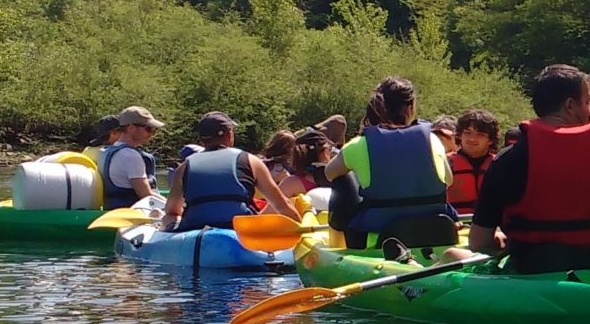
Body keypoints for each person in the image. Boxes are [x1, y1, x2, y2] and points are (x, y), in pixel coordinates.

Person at [468, 64, 590, 275]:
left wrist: (504, 241)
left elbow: (479, 243)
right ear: (570, 106)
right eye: (587, 102)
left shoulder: (506, 161)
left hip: (529, 277)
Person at [327, 77, 459, 250]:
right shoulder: (432, 139)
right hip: (440, 232)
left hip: (381, 239)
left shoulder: (359, 144)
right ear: (410, 108)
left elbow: (329, 174)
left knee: (343, 180)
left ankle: (338, 247)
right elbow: (448, 181)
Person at [161, 111, 301, 232]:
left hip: (195, 229)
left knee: (169, 217)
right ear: (229, 135)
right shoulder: (250, 161)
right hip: (240, 231)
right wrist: (300, 229)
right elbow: (282, 205)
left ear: (201, 140)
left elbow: (172, 210)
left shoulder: (184, 167)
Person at [98, 106, 163, 209]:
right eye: (148, 129)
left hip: (111, 213)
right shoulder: (131, 156)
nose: (152, 134)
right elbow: (146, 196)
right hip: (131, 218)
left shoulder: (104, 152)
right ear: (131, 128)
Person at [446, 109, 501, 216]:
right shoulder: (445, 163)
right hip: (455, 223)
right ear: (460, 135)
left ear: (490, 140)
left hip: (491, 225)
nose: (472, 139)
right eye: (467, 133)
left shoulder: (500, 164)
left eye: (480, 134)